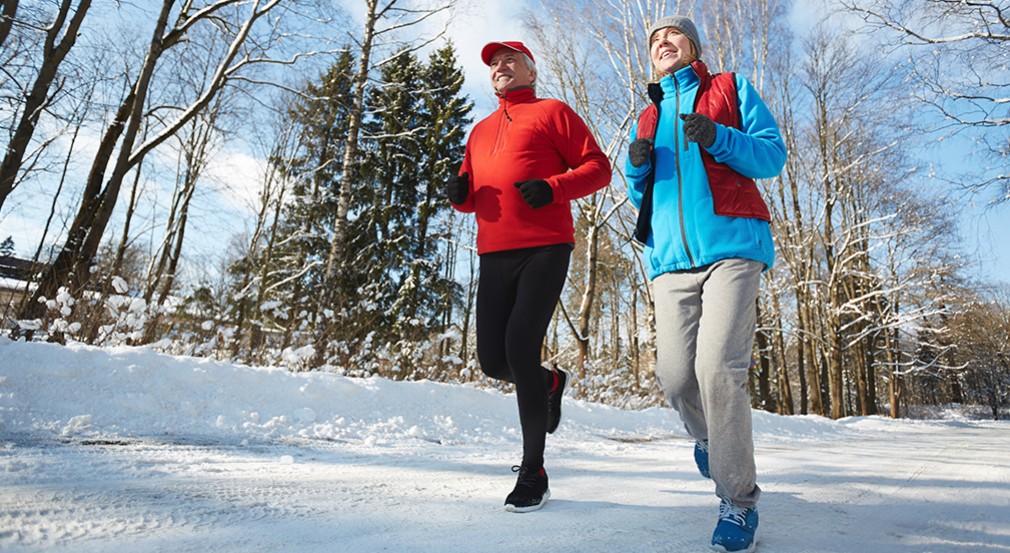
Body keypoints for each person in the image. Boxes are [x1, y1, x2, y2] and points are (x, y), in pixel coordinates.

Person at [625, 15, 786, 553]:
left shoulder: (729, 87)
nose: (661, 42)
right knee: (675, 379)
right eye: (653, 39)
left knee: (718, 369)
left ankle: (738, 502)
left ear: (692, 46)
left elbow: (771, 155)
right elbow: (639, 196)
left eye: (672, 35)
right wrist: (635, 168)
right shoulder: (647, 116)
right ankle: (709, 441)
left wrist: (720, 137)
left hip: (733, 249)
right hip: (669, 262)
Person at [447, 40, 611, 513]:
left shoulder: (553, 112)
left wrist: (554, 187)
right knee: (493, 362)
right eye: (494, 64)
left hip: (545, 247)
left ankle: (533, 470)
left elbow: (597, 168)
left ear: (530, 71)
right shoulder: (478, 132)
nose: (500, 67)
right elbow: (471, 194)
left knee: (520, 348)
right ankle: (550, 383)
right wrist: (459, 194)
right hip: (493, 253)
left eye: (509, 60)